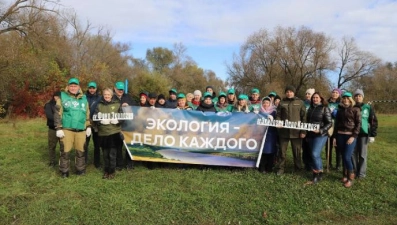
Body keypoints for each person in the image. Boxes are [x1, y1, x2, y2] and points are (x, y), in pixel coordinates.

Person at [54, 78, 91, 178]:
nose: (73, 88)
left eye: (75, 86)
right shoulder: (62, 96)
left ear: (79, 87)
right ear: (68, 86)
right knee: (65, 151)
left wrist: (88, 126)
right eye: (71, 86)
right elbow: (58, 113)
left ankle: (80, 169)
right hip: (67, 129)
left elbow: (87, 113)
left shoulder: (84, 98)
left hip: (81, 130)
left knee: (80, 151)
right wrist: (58, 128)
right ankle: (64, 171)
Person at [275, 85, 306, 175]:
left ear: (294, 92)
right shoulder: (282, 103)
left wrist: (303, 131)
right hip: (283, 132)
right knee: (282, 152)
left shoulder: (300, 102)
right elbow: (278, 115)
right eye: (287, 92)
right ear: (285, 93)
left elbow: (304, 118)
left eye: (291, 91)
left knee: (297, 152)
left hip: (296, 132)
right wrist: (278, 122)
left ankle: (298, 168)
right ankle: (281, 168)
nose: (289, 93)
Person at [333, 91, 361, 188]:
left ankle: (350, 177)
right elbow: (336, 125)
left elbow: (358, 124)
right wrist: (335, 137)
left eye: (347, 98)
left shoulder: (355, 109)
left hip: (350, 136)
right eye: (344, 98)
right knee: (342, 155)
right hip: (340, 135)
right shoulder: (339, 110)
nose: (345, 100)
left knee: (347, 156)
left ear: (350, 100)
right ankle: (344, 175)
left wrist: (353, 136)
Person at [93, 88, 122, 179]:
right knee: (105, 154)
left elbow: (123, 117)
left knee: (112, 154)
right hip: (103, 133)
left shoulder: (117, 104)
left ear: (111, 95)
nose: (106, 96)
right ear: (103, 95)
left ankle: (112, 171)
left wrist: (117, 120)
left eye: (108, 95)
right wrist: (100, 122)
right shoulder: (99, 105)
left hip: (114, 132)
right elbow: (95, 117)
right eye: (105, 94)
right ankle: (106, 171)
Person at [305, 92, 332, 184]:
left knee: (314, 153)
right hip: (311, 134)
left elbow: (329, 123)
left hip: (321, 135)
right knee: (316, 155)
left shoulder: (325, 108)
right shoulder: (310, 108)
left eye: (317, 98)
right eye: (313, 98)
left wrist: (320, 130)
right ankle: (320, 172)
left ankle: (315, 174)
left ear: (321, 99)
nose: (315, 99)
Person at [352, 89, 378, 179]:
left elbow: (373, 121)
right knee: (353, 153)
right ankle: (354, 171)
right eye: (356, 96)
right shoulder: (352, 107)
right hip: (353, 134)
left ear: (362, 97)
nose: (358, 97)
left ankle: (361, 174)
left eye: (360, 96)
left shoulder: (368, 107)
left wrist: (372, 134)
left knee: (362, 155)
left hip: (364, 134)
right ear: (354, 97)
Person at [113, 81, 137, 170]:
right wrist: (120, 106)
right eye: (119, 89)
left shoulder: (128, 97)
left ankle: (129, 164)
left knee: (128, 146)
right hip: (117, 125)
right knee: (118, 146)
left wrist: (129, 105)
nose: (120, 91)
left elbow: (135, 107)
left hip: (128, 125)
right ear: (114, 89)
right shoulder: (112, 98)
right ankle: (119, 164)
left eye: (122, 90)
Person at [258, 96, 277, 173]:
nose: (265, 104)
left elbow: (277, 121)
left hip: (271, 134)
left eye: (267, 103)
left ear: (270, 104)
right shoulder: (259, 112)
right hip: (261, 133)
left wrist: (273, 119)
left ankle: (269, 167)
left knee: (270, 150)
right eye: (264, 103)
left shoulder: (274, 112)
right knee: (262, 150)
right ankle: (262, 167)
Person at [84, 81, 102, 168]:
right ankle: (84, 161)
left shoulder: (100, 98)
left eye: (93, 88)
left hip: (96, 124)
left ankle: (97, 162)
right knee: (85, 144)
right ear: (88, 88)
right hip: (86, 123)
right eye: (90, 88)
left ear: (96, 88)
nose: (92, 90)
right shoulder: (83, 97)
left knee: (97, 144)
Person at [44, 91, 62, 167]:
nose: (57, 98)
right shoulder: (48, 105)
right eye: (56, 96)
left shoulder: (63, 105)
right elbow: (50, 116)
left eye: (59, 97)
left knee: (63, 146)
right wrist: (59, 122)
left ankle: (63, 161)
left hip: (62, 129)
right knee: (52, 146)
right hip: (53, 128)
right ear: (54, 97)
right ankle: (52, 161)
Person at [326, 88, 342, 170]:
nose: (335, 94)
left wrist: (336, 113)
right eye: (333, 92)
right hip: (328, 127)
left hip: (337, 127)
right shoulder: (327, 103)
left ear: (339, 94)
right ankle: (328, 163)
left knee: (337, 146)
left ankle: (338, 165)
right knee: (328, 146)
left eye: (336, 93)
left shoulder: (341, 104)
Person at [302, 88, 315, 171]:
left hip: (313, 129)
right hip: (303, 127)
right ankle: (306, 164)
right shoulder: (302, 104)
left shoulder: (315, 104)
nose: (307, 95)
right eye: (306, 94)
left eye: (309, 94)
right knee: (305, 147)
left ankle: (312, 164)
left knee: (312, 148)